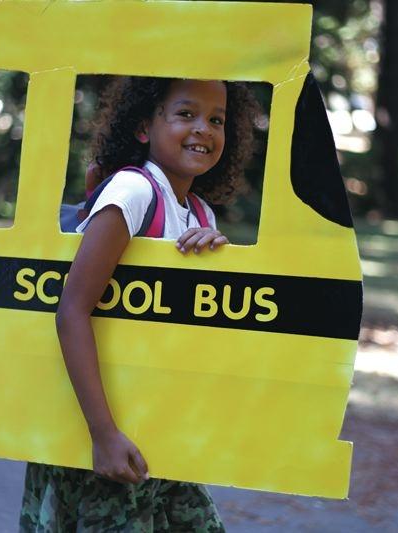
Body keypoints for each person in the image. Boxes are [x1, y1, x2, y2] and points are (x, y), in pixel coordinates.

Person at [20, 76, 259, 532]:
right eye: (186, 114)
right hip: (105, 438)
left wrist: (214, 255)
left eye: (217, 119)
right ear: (144, 127)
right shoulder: (133, 193)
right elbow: (73, 310)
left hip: (161, 433)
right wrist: (103, 434)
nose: (204, 129)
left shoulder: (201, 214)